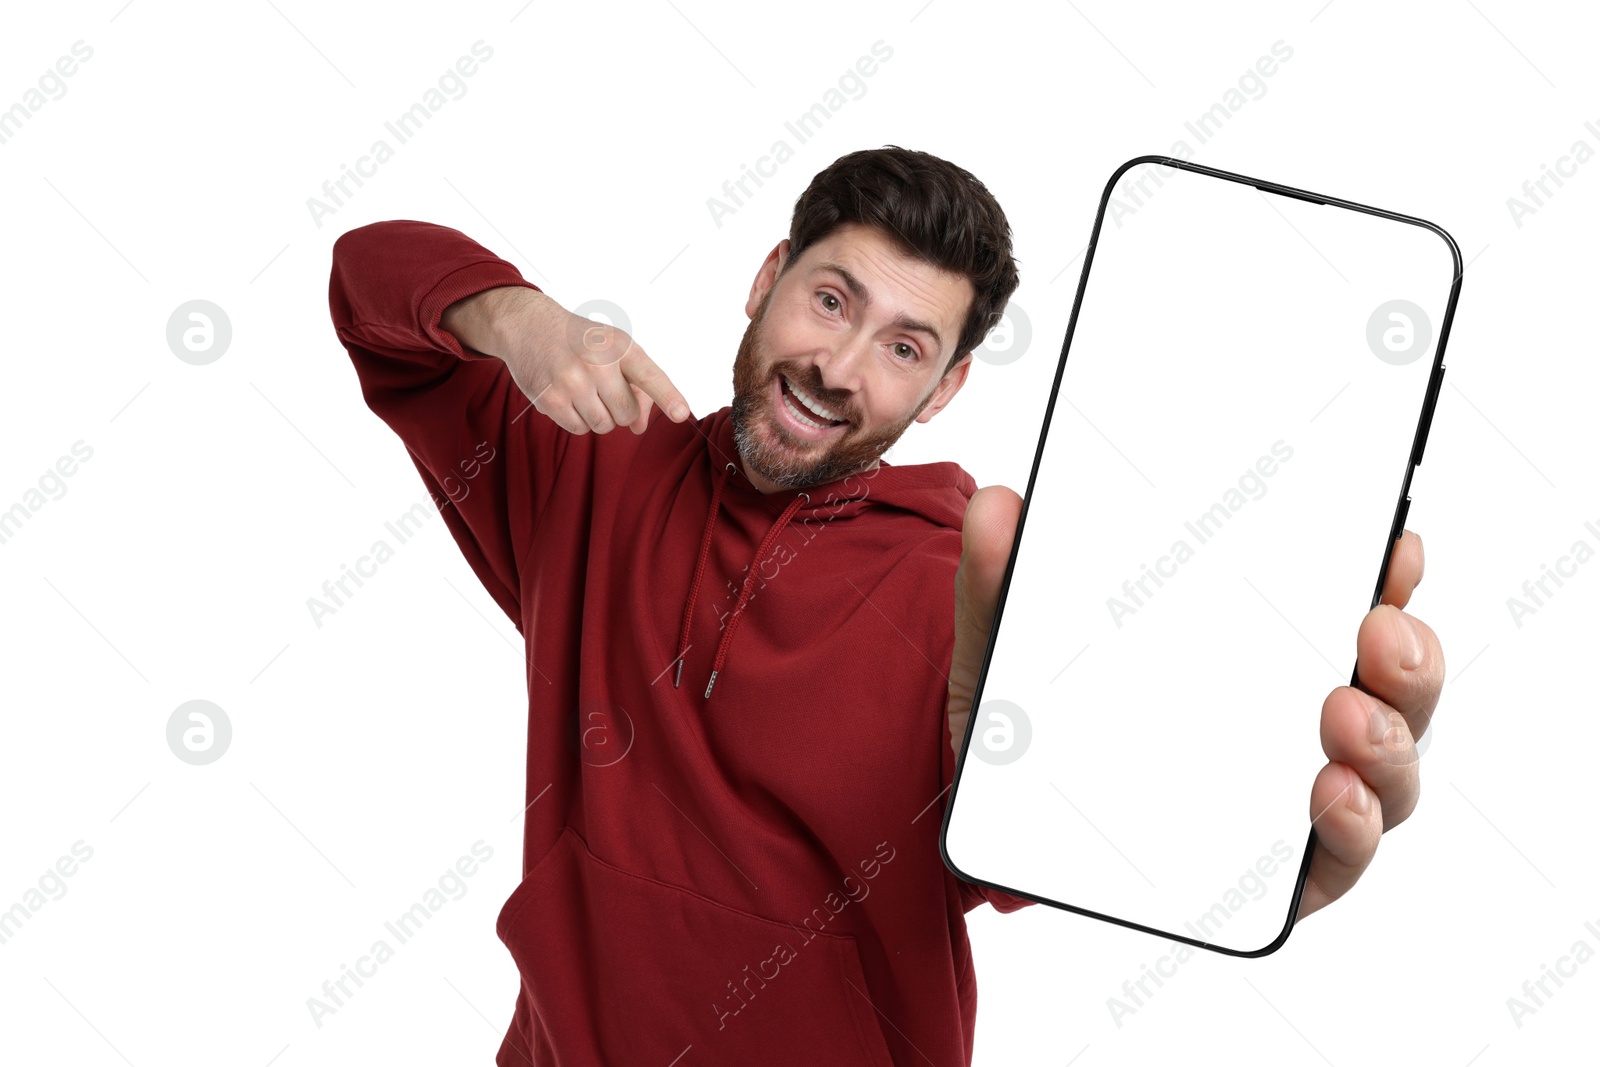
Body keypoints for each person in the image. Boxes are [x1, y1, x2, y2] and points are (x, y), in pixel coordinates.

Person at [326, 145, 1443, 1066]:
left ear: (945, 386)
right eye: (829, 300)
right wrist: (520, 319)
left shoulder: (980, 585)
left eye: (904, 346)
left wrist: (1257, 858)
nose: (840, 366)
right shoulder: (592, 463)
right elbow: (369, 276)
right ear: (766, 277)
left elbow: (1105, 824)